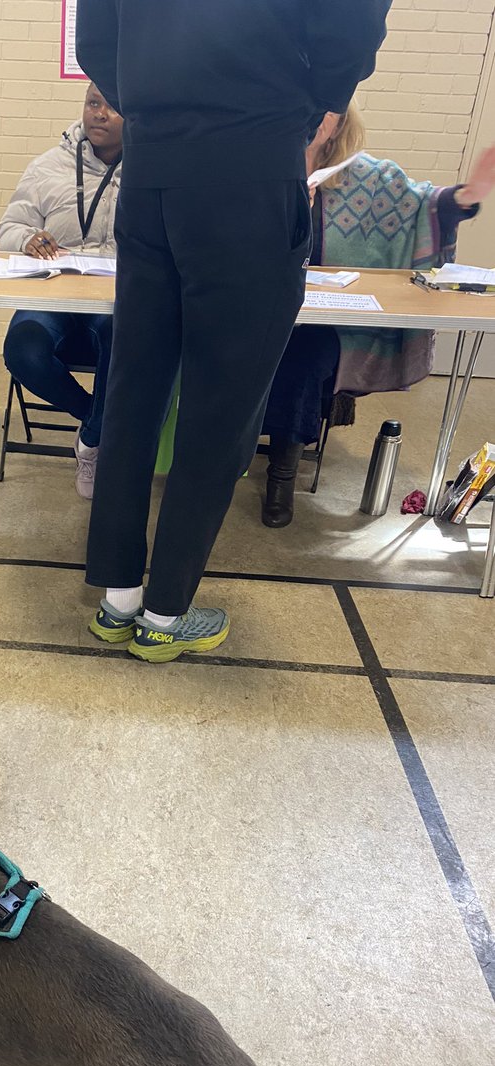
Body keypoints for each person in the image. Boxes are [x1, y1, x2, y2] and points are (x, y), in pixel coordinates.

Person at [76, 0, 391, 662]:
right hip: (251, 154)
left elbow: (96, 39)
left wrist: (157, 98)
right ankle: (164, 616)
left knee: (136, 385)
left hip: (152, 163)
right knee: (224, 404)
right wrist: (314, 98)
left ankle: (119, 600)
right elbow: (353, 17)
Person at [261, 105, 495, 527]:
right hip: (257, 308)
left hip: (325, 324)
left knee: (302, 356)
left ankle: (281, 474)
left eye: (324, 109)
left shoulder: (369, 177)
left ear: (337, 124)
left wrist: (464, 198)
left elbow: (425, 202)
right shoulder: (255, 169)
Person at [0, 84, 123, 499]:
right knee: (23, 351)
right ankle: (96, 428)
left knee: (124, 344)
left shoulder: (154, 172)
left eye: (111, 107)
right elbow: (9, 226)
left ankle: (94, 440)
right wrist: (27, 238)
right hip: (54, 292)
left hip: (112, 299)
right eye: (92, 103)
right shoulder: (48, 166)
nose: (99, 114)